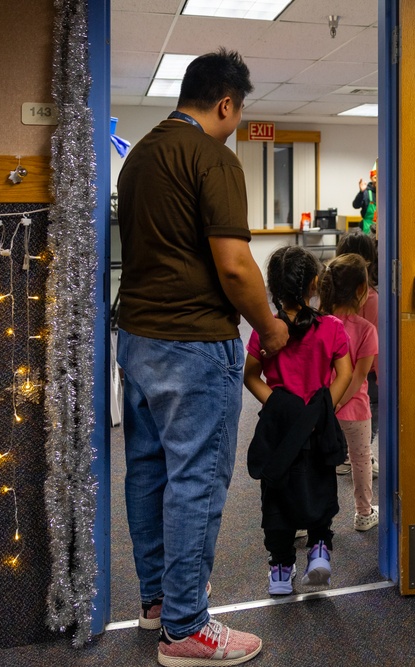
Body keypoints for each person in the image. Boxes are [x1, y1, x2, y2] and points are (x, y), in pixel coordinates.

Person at [116, 48, 288, 667]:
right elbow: (236, 265)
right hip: (192, 344)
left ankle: (160, 602)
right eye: (237, 114)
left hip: (135, 340)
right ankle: (186, 628)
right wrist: (270, 330)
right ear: (224, 103)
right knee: (195, 480)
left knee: (148, 471)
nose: (236, 124)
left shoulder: (139, 156)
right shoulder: (213, 158)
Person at [244, 246, 352, 595]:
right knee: (321, 485)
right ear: (314, 284)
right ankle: (319, 549)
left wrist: (277, 404)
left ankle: (280, 569)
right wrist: (321, 409)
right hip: (319, 430)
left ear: (273, 287)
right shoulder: (332, 327)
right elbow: (345, 373)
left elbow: (250, 377)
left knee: (275, 497)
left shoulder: (265, 331)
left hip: (278, 431)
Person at [319, 253, 379, 531]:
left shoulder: (317, 325)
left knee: (313, 463)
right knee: (361, 459)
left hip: (319, 408)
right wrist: (342, 401)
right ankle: (364, 513)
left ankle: (308, 520)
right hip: (355, 409)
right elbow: (359, 376)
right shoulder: (366, 329)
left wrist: (329, 403)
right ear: (359, 290)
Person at [334, 230, 379, 477]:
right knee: (365, 411)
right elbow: (371, 339)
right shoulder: (370, 297)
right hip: (361, 367)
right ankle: (360, 454)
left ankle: (347, 455)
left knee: (344, 410)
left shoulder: (332, 298)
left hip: (340, 367)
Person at [352, 161, 377, 235]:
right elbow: (355, 205)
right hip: (367, 228)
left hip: (381, 227)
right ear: (371, 178)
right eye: (375, 178)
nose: (377, 180)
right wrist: (361, 192)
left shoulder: (385, 193)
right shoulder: (366, 192)